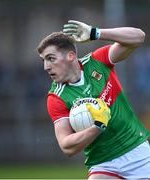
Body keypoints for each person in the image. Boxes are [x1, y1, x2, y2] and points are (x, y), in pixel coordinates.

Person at [37, 20, 150, 179]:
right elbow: (66, 145)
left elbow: (138, 37)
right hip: (104, 163)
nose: (46, 66)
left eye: (51, 58)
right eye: (44, 60)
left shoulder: (97, 61)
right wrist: (97, 126)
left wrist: (95, 33)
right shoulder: (56, 97)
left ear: (70, 56)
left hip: (137, 151)